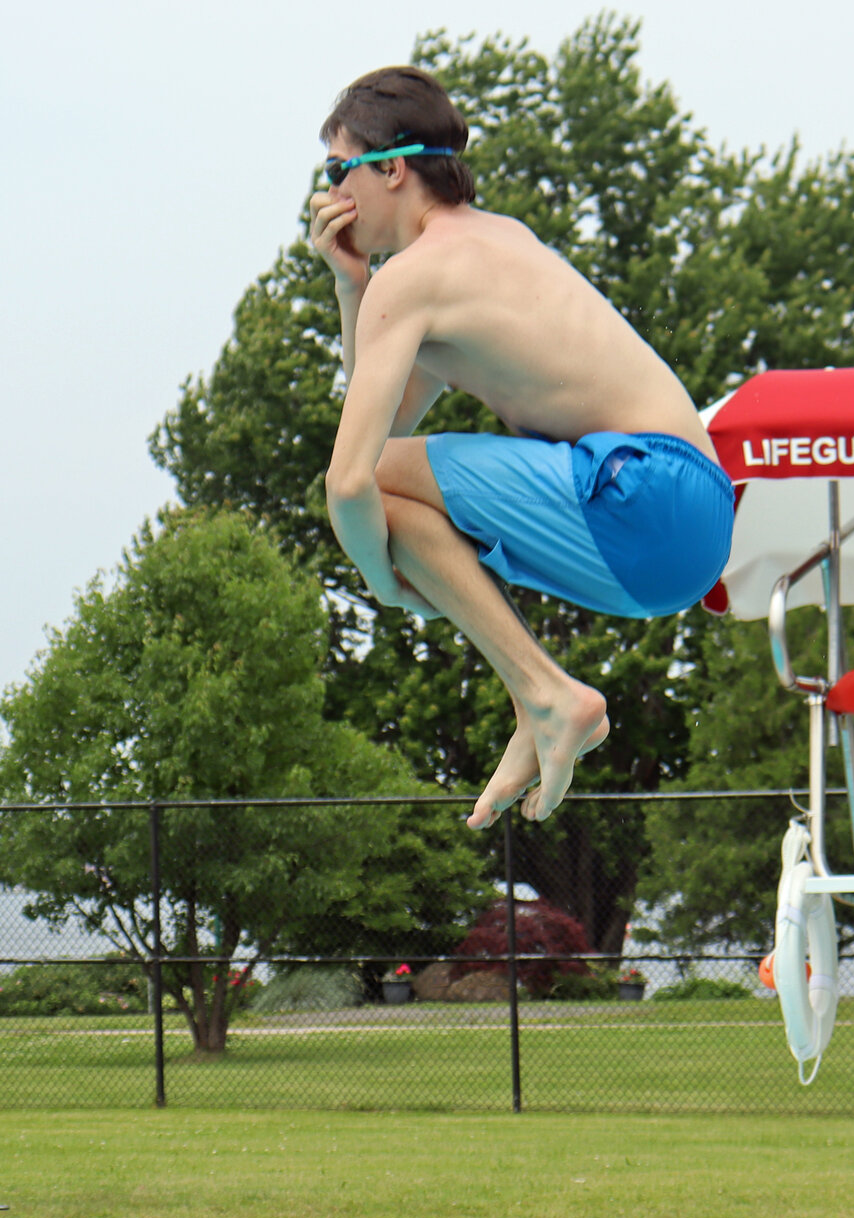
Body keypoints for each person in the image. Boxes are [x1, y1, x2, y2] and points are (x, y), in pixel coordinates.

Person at [307, 67, 733, 832]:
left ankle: (547, 693)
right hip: (683, 523)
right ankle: (540, 698)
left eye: (339, 172)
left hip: (644, 494)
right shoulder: (496, 241)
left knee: (373, 491)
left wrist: (382, 585)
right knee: (393, 492)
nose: (329, 199)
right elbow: (381, 418)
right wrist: (351, 287)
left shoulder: (415, 280)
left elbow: (351, 478)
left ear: (392, 168)